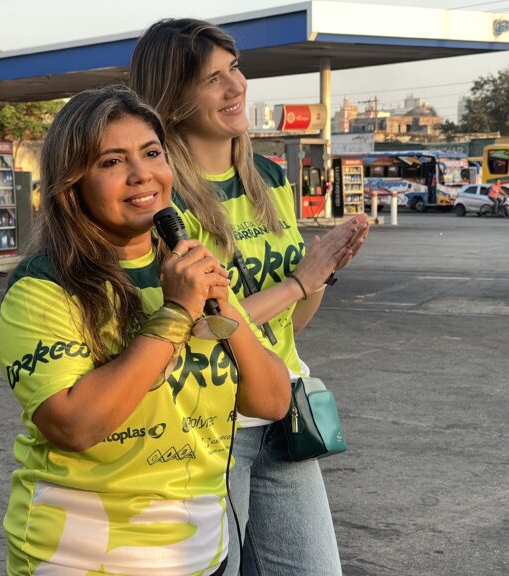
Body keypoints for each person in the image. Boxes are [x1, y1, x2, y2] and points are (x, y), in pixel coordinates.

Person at [0, 85, 293, 576]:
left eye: (151, 153)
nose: (142, 175)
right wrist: (175, 314)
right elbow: (73, 425)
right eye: (112, 162)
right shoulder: (43, 287)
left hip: (200, 553)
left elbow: (271, 401)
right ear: (73, 184)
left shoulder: (192, 266)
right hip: (84, 557)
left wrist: (223, 306)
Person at [130, 19, 369, 576]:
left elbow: (291, 325)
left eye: (234, 68)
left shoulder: (268, 177)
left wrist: (323, 272)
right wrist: (299, 281)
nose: (235, 87)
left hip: (282, 410)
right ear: (173, 98)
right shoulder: (163, 199)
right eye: (212, 78)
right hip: (212, 425)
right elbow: (199, 326)